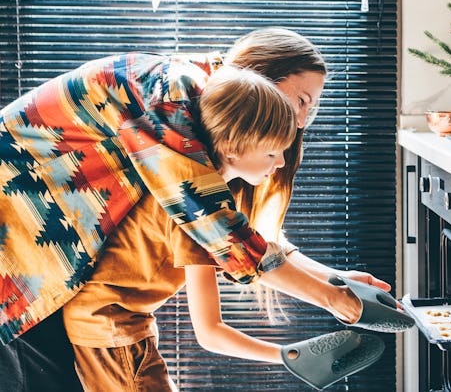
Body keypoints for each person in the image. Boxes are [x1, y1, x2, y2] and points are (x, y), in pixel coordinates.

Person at [0, 28, 401, 391]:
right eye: (299, 102)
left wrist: (334, 280)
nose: (300, 123)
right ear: (259, 80)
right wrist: (333, 301)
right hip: (17, 246)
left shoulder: (205, 125)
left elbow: (243, 235)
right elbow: (224, 236)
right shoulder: (174, 109)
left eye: (310, 111)